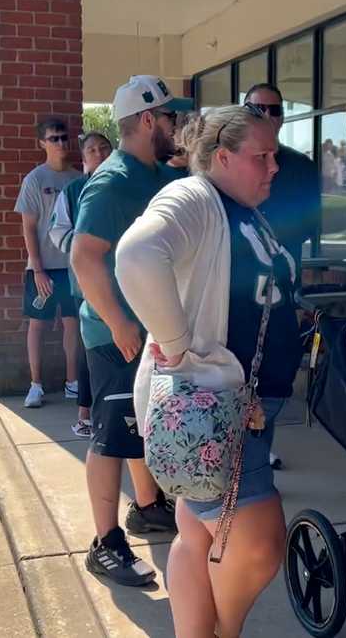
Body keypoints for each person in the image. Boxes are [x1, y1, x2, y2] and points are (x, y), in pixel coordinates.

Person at [117, 104, 292, 638]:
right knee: (258, 544)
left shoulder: (242, 209)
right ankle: (223, 631)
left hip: (241, 407)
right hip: (212, 409)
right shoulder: (195, 195)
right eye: (261, 156)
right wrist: (176, 343)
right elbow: (137, 254)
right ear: (221, 157)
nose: (273, 167)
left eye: (275, 155)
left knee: (195, 533)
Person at [71, 75, 190, 586]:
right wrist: (119, 322)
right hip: (116, 332)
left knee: (139, 427)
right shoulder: (113, 180)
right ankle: (105, 542)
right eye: (170, 118)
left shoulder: (155, 174)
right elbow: (83, 256)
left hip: (148, 331)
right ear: (147, 121)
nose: (177, 126)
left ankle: (146, 507)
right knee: (112, 436)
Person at [16, 117, 85, 408]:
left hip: (72, 267)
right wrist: (39, 269)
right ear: (42, 143)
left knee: (73, 324)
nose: (60, 143)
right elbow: (28, 227)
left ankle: (72, 383)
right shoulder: (35, 179)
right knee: (38, 324)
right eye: (53, 138)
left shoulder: (77, 179)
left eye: (63, 138)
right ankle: (36, 385)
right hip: (42, 268)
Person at [50, 131, 114, 438]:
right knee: (92, 349)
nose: (99, 153)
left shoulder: (125, 185)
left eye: (104, 148)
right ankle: (86, 414)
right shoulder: (74, 191)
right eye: (92, 149)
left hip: (128, 283)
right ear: (83, 156)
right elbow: (58, 231)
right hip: (86, 284)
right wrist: (85, 249)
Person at [244, 84, 321, 270]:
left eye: (275, 110)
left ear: (282, 117)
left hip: (285, 274)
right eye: (259, 109)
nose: (267, 116)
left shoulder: (303, 166)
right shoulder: (226, 163)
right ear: (244, 114)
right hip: (236, 276)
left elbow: (311, 223)